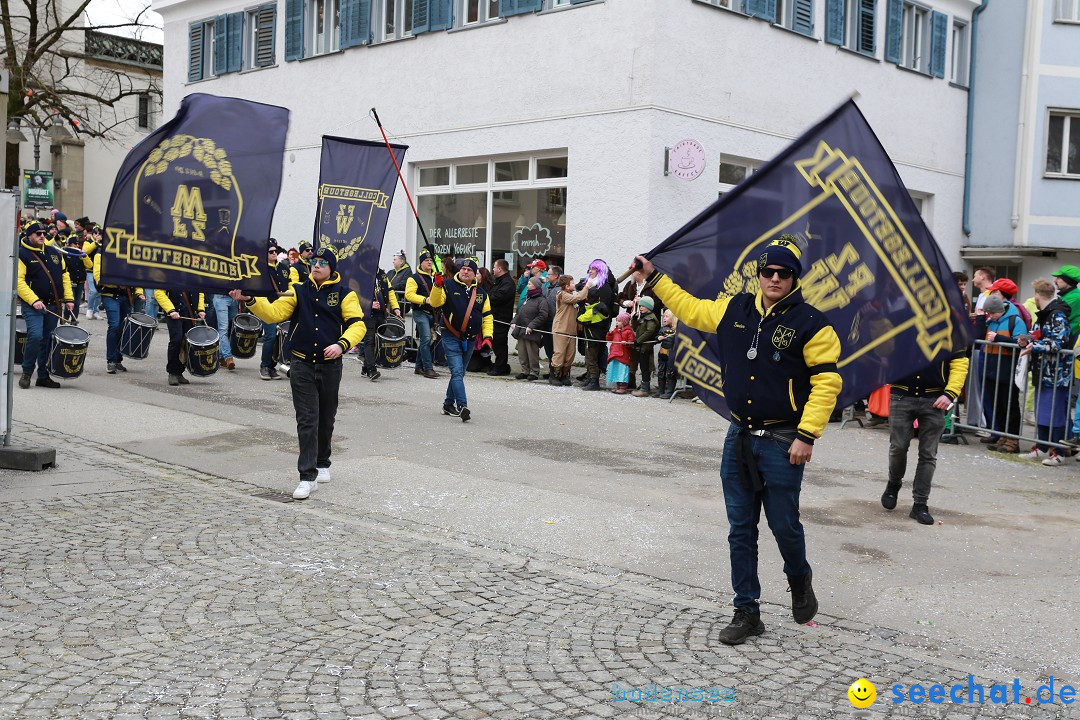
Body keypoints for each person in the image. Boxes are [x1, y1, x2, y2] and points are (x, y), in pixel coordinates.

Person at [635, 235, 842, 645]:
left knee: (784, 526)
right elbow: (690, 309)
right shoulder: (735, 307)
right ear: (759, 274)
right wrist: (653, 276)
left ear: (794, 277)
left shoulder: (813, 323)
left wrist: (807, 434)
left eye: (784, 273)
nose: (775, 278)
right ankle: (746, 611)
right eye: (768, 271)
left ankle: (799, 577)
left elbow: (827, 382)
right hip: (740, 436)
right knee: (740, 529)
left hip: (785, 440)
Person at [231, 246, 365, 499]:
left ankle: (323, 461)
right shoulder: (297, 290)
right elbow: (274, 314)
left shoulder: (345, 294)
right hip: (301, 364)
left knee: (326, 417)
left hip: (330, 366)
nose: (316, 266)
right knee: (307, 419)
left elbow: (357, 324)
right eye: (314, 261)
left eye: (322, 263)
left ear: (331, 268)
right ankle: (306, 476)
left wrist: (342, 344)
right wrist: (250, 300)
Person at [882, 339, 969, 525]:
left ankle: (920, 504)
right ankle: (894, 483)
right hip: (901, 394)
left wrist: (950, 393)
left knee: (928, 454)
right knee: (898, 447)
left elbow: (960, 363)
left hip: (935, 397)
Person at [428, 257, 493, 422]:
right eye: (463, 269)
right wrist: (436, 286)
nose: (465, 272)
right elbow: (435, 303)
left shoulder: (482, 294)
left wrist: (487, 338)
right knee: (457, 371)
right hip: (450, 335)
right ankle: (462, 406)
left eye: (469, 270)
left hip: (470, 338)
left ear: (475, 274)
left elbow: (487, 317)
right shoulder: (447, 285)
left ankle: (448, 404)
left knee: (460, 372)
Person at [1018, 279, 1073, 465]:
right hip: (1044, 371)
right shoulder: (1046, 314)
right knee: (1042, 412)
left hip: (1056, 374)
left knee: (1055, 414)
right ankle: (1042, 447)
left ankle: (1059, 452)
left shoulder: (1057, 315)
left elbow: (1059, 342)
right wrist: (1027, 340)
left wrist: (1035, 346)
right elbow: (1040, 335)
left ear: (1037, 296)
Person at [16, 222, 75, 389]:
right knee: (35, 336)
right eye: (38, 233)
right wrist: (34, 300)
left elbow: (64, 276)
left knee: (47, 340)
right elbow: (19, 281)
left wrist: (69, 299)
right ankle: (27, 372)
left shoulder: (54, 252)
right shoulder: (22, 254)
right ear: (29, 236)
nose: (42, 236)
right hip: (33, 305)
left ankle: (43, 375)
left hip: (53, 305)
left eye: (43, 233)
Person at [978, 294, 1023, 454]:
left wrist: (998, 338)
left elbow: (1020, 343)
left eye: (992, 313)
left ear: (1000, 310)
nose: (990, 316)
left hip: (1007, 371)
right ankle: (1003, 436)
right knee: (999, 407)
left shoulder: (1015, 321)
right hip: (992, 372)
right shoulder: (991, 322)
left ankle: (1013, 440)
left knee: (1010, 406)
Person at [94, 248, 145, 374]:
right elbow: (98, 276)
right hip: (111, 295)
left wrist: (139, 292)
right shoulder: (101, 253)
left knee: (123, 328)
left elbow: (136, 276)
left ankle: (117, 359)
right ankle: (110, 360)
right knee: (114, 326)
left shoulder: (130, 252)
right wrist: (118, 281)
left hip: (126, 296)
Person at [577, 259, 618, 391]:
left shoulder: (604, 287)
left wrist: (587, 314)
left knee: (593, 354)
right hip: (590, 326)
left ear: (599, 270)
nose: (590, 271)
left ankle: (594, 380)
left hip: (596, 327)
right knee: (589, 354)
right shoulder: (591, 284)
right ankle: (590, 377)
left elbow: (602, 309)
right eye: (589, 269)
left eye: (592, 269)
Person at [154, 288, 205, 386]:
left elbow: (199, 291)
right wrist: (170, 310)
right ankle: (172, 372)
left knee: (185, 343)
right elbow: (159, 292)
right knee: (176, 340)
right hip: (173, 312)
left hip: (188, 312)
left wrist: (200, 309)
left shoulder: (194, 275)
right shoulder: (168, 274)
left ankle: (179, 372)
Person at [361, 267, 402, 381]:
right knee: (370, 341)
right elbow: (355, 293)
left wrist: (396, 307)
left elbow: (390, 291)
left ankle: (365, 366)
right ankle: (371, 370)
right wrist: (369, 304)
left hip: (381, 314)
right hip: (368, 314)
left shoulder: (382, 274)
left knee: (377, 341)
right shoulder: (361, 273)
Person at [405, 249, 440, 379]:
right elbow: (409, 295)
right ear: (421, 263)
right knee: (426, 338)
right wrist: (424, 300)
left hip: (434, 313)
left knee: (428, 340)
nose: (430, 262)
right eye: (427, 260)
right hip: (420, 312)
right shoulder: (413, 278)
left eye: (431, 260)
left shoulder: (436, 276)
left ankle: (418, 367)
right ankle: (428, 368)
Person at [259, 241, 291, 380]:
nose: (274, 254)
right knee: (271, 335)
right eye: (271, 252)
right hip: (267, 307)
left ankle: (272, 366)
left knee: (280, 337)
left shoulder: (284, 267)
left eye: (275, 251)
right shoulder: (261, 269)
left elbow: (290, 284)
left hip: (282, 306)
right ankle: (264, 366)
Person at [511, 276, 549, 381]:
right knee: (522, 352)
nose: (527, 285)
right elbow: (519, 312)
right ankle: (525, 371)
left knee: (532, 353)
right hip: (521, 330)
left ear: (535, 286)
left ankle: (534, 372)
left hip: (532, 331)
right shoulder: (526, 298)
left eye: (529, 284)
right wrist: (514, 322)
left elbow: (543, 315)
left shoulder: (541, 300)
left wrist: (532, 326)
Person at [487, 258, 516, 376]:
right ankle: (498, 364)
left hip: (501, 318)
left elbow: (497, 297)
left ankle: (501, 367)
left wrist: (488, 297)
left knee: (500, 344)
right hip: (494, 317)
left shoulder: (507, 283)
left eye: (494, 267)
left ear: (499, 269)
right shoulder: (498, 281)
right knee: (495, 343)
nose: (493, 269)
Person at [549, 274, 578, 386]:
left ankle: (564, 375)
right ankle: (554, 376)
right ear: (566, 286)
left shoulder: (570, 295)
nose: (574, 285)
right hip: (561, 328)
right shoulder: (562, 295)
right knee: (559, 353)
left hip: (571, 330)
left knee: (570, 355)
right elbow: (577, 298)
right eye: (573, 283)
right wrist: (587, 287)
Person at [631, 296, 660, 397]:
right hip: (641, 346)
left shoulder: (651, 318)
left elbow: (649, 331)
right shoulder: (643, 317)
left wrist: (638, 341)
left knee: (645, 367)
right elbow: (635, 328)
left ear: (649, 307)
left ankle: (645, 388)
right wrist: (634, 320)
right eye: (640, 306)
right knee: (642, 366)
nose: (641, 307)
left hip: (646, 347)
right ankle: (644, 385)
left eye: (643, 306)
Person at [605, 312, 635, 394]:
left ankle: (623, 387)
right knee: (615, 370)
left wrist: (627, 343)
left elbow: (631, 342)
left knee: (622, 371)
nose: (616, 323)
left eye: (618, 321)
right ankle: (618, 386)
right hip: (614, 354)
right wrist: (609, 333)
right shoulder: (615, 330)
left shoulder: (629, 331)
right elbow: (608, 339)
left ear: (624, 322)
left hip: (623, 355)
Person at [62, 233, 87, 323]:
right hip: (70, 281)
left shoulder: (80, 254)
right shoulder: (65, 253)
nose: (77, 245)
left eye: (78, 244)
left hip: (80, 281)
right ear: (70, 244)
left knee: (77, 302)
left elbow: (89, 265)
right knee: (70, 300)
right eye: (74, 244)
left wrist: (85, 257)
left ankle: (74, 319)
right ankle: (65, 317)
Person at [654, 309, 679, 398]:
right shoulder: (663, 329)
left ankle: (669, 392)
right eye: (663, 316)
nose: (664, 318)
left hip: (672, 354)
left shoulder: (677, 330)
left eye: (666, 316)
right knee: (661, 372)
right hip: (662, 353)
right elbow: (656, 338)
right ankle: (660, 390)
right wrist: (658, 338)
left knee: (671, 373)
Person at [387, 250, 412, 314]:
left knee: (396, 322)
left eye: (395, 260)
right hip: (389, 304)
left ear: (401, 262)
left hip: (400, 304)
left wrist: (391, 288)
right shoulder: (390, 272)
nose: (393, 261)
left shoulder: (407, 271)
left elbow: (403, 284)